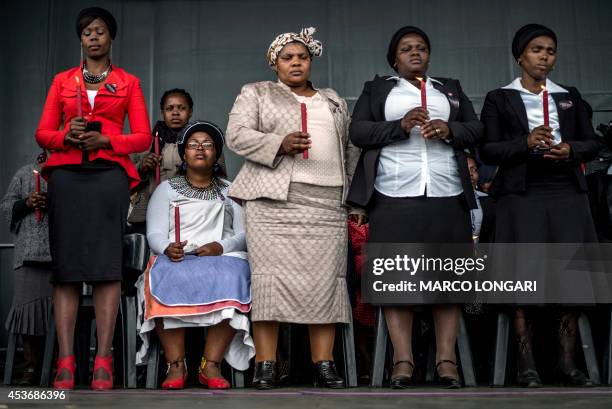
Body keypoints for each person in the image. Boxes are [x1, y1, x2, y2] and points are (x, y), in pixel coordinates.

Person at [347, 26, 484, 388]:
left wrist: (450, 128)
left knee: (448, 280)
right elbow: (358, 132)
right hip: (393, 193)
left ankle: (446, 360)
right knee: (396, 279)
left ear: (429, 55)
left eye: (421, 48)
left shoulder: (448, 88)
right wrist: (399, 126)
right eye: (406, 49)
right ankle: (403, 361)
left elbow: (477, 129)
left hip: (447, 192)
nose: (415, 53)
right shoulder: (378, 89)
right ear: (395, 58)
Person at [225, 27, 363, 389]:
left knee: (326, 283)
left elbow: (350, 148)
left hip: (327, 202)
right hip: (272, 204)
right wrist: (278, 142)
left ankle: (325, 365)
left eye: (302, 56)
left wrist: (353, 199)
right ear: (275, 63)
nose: (296, 62)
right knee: (269, 283)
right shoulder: (257, 92)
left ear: (311, 60)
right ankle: (266, 364)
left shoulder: (333, 100)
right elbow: (235, 135)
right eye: (288, 57)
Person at [34, 7, 151, 390]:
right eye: (87, 32)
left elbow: (143, 138)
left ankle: (104, 360)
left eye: (99, 30)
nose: (93, 37)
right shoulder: (61, 81)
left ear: (110, 37)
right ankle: (66, 362)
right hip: (67, 176)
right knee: (66, 267)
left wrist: (107, 141)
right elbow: (43, 133)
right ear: (80, 39)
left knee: (106, 267)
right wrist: (66, 135)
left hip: (109, 176)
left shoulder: (128, 82)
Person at [480, 23, 598, 387]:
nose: (544, 56)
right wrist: (525, 142)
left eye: (550, 50)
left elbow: (592, 142)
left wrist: (571, 149)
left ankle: (566, 362)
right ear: (520, 56)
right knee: (522, 277)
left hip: (566, 191)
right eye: (536, 49)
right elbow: (487, 149)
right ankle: (525, 364)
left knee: (571, 277)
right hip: (521, 193)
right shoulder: (499, 98)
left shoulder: (571, 96)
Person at [136, 121, 254, 389]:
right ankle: (176, 364)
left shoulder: (231, 190)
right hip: (177, 256)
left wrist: (220, 247)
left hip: (221, 257)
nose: (200, 149)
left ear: (217, 153)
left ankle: (210, 364)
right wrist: (166, 247)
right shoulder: (166, 189)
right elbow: (154, 232)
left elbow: (246, 234)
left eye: (208, 144)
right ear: (183, 153)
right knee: (164, 272)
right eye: (193, 144)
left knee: (237, 274)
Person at [128, 89, 227, 234]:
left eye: (181, 108)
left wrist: (196, 169)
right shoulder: (144, 143)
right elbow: (124, 178)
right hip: (148, 213)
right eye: (169, 108)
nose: (175, 112)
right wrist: (141, 167)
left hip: (192, 213)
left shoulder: (204, 144)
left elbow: (221, 181)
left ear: (190, 112)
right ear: (162, 112)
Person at [0, 152, 53, 385]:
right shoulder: (25, 173)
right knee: (27, 313)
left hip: (61, 255)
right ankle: (30, 367)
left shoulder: (69, 174)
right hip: (28, 254)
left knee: (59, 316)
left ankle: (57, 366)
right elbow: (5, 206)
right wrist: (27, 203)